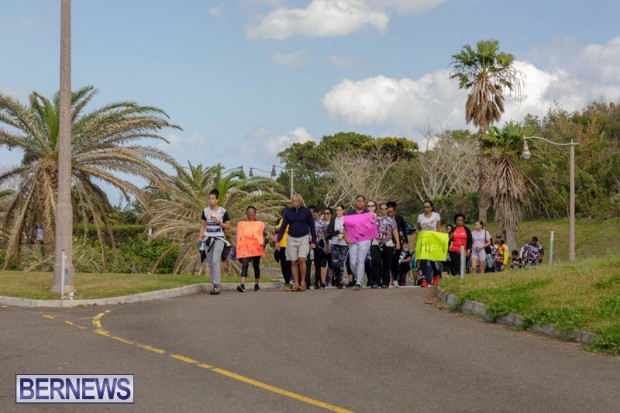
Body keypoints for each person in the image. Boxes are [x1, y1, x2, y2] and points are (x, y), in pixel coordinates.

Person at [275, 194, 317, 292]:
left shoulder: (306, 211)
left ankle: (303, 281)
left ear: (300, 202)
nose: (294, 203)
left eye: (296, 201)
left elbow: (312, 227)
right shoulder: (288, 213)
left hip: (303, 237)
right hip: (291, 238)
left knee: (302, 259)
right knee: (293, 261)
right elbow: (283, 227)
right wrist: (278, 240)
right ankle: (296, 284)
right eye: (293, 201)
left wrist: (313, 241)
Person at [198, 189, 232, 295]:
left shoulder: (223, 211)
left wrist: (218, 222)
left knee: (215, 260)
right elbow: (203, 225)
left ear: (217, 200)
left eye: (212, 199)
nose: (210, 201)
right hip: (208, 238)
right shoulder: (205, 211)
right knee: (210, 263)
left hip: (219, 238)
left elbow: (228, 226)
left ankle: (216, 285)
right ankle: (214, 284)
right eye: (209, 199)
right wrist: (200, 238)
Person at [236, 206, 268, 292]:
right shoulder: (242, 225)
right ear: (246, 213)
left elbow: (266, 234)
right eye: (249, 212)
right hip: (246, 249)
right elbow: (239, 236)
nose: (251, 213)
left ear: (255, 213)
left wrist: (264, 243)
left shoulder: (260, 224)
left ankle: (256, 285)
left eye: (252, 211)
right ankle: (242, 285)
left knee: (256, 266)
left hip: (257, 248)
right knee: (245, 264)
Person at [344, 195, 372, 291]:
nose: (360, 202)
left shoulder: (368, 213)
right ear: (355, 202)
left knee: (360, 259)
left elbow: (371, 227)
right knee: (352, 261)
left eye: (362, 201)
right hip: (353, 239)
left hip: (364, 239)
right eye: (358, 201)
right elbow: (345, 227)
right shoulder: (350, 213)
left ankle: (358, 282)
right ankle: (359, 277)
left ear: (364, 203)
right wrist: (346, 237)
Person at [370, 202, 400, 288]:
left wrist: (398, 242)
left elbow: (395, 231)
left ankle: (385, 282)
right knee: (375, 261)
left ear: (387, 210)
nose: (383, 210)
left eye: (385, 208)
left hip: (388, 242)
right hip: (376, 241)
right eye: (381, 208)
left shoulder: (391, 220)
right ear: (379, 209)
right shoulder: (375, 218)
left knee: (386, 263)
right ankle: (376, 281)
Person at [416, 200, 442, 286]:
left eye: (427, 207)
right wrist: (417, 241)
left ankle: (436, 276)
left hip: (433, 239)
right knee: (423, 259)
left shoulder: (436, 215)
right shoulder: (420, 217)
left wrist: (440, 240)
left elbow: (439, 228)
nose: (426, 208)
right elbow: (418, 229)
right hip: (424, 239)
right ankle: (424, 279)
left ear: (431, 208)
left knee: (432, 260)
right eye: (424, 207)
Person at [386, 201, 408, 287]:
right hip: (387, 241)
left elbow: (404, 230)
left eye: (392, 212)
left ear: (394, 211)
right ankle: (386, 279)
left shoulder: (399, 218)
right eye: (389, 212)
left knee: (395, 261)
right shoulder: (384, 219)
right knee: (387, 261)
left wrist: (406, 241)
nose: (390, 214)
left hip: (397, 242)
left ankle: (395, 279)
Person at [327, 204, 348, 289]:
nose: (338, 212)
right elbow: (329, 231)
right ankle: (336, 277)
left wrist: (343, 234)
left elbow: (350, 230)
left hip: (344, 244)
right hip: (335, 242)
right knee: (334, 262)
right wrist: (337, 233)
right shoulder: (333, 219)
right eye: (336, 210)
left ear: (343, 210)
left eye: (339, 210)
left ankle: (339, 281)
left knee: (341, 263)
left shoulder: (346, 219)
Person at [274, 208, 293, 290]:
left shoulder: (292, 220)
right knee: (283, 264)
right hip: (282, 245)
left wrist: (279, 228)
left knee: (289, 264)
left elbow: (285, 228)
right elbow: (276, 231)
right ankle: (287, 281)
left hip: (290, 244)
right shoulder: (280, 220)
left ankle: (289, 281)